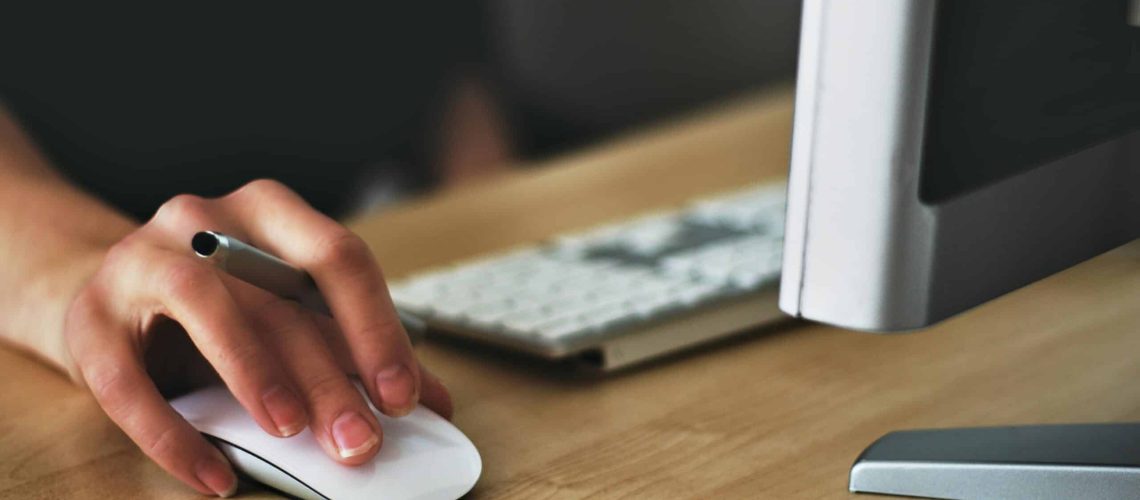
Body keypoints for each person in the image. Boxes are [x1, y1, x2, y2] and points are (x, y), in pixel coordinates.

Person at [0, 5, 508, 497]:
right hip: (107, 253)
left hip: (321, 284)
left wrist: (500, 265)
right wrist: (88, 275)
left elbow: (455, 76)